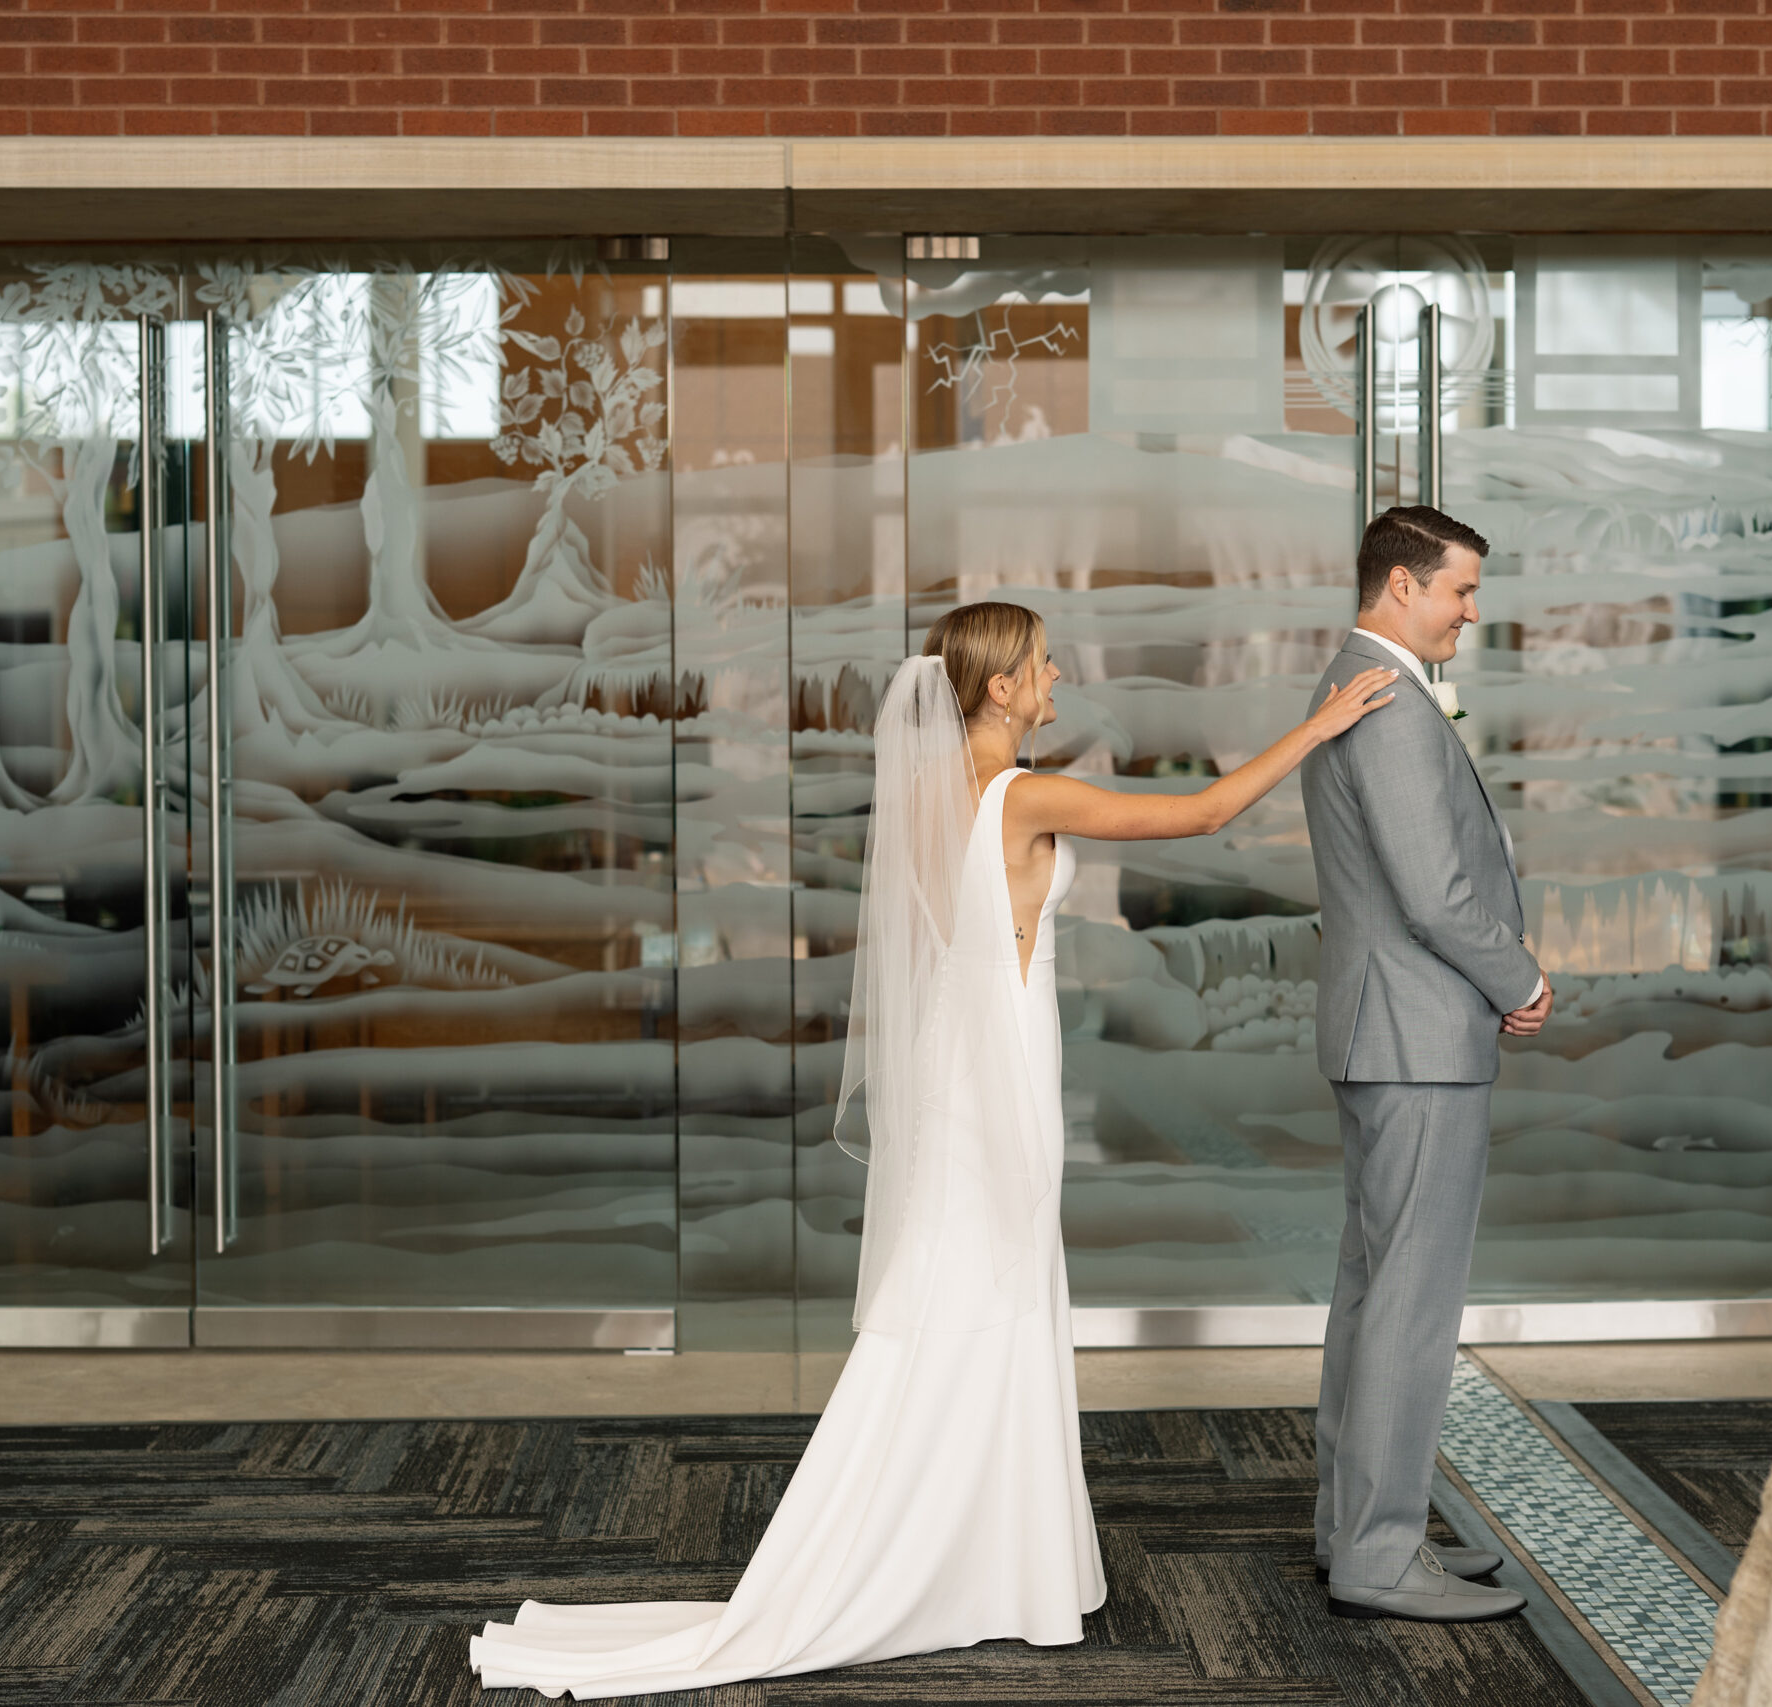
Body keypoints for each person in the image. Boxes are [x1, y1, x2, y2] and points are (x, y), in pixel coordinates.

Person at [470, 600, 1400, 1699]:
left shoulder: (922, 794)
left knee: (964, 1298)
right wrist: (1321, 724)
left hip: (962, 1073)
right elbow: (1198, 818)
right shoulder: (1020, 794)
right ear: (998, 688)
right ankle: (945, 1559)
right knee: (983, 1296)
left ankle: (989, 1561)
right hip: (997, 1080)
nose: (1057, 680)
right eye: (1042, 667)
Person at [1301, 504, 1550, 1624]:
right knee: (1407, 1305)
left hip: (1389, 1030)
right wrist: (1521, 979)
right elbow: (1435, 891)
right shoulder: (1389, 702)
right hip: (1418, 1036)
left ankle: (1354, 1528)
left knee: (1372, 1296)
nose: (1470, 609)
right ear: (1400, 586)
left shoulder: (1365, 684)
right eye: (1458, 589)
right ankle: (1379, 1555)